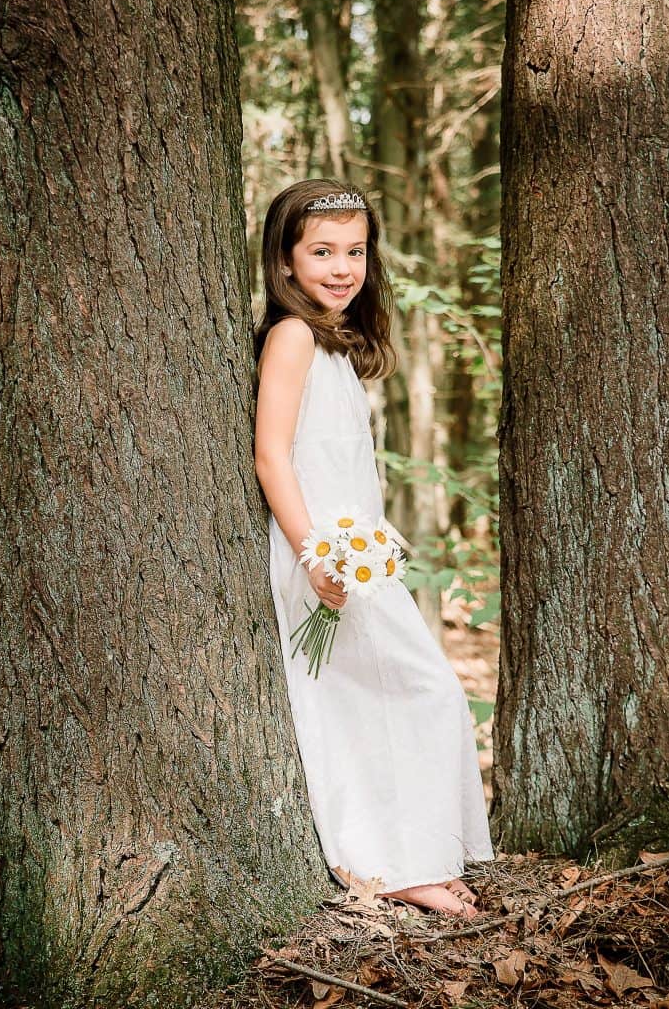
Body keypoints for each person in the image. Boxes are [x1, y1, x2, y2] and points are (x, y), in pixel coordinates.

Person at [253, 178, 495, 917]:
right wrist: (314, 558)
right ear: (285, 262)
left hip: (355, 556)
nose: (340, 267)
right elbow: (272, 455)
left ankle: (411, 855)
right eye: (321, 251)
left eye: (354, 251)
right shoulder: (291, 336)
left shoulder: (334, 345)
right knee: (407, 695)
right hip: (319, 556)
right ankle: (394, 866)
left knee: (398, 698)